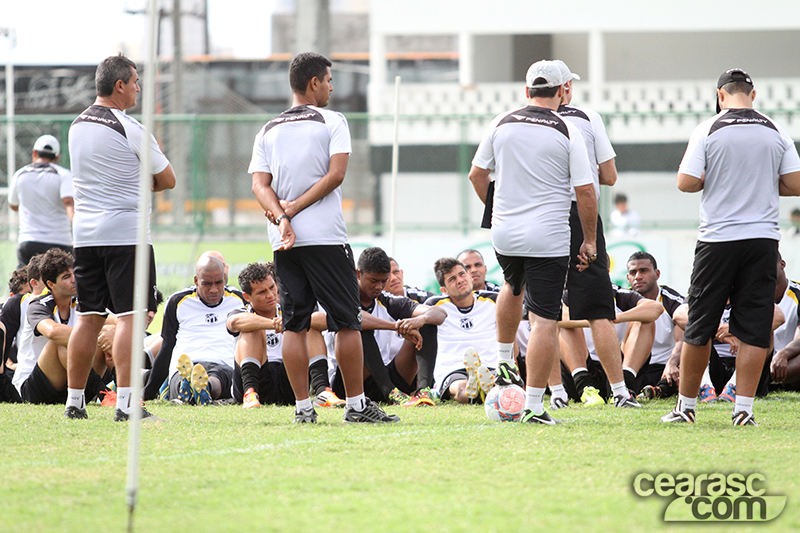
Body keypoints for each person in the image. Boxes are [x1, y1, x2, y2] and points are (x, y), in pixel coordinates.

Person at [249, 52, 396, 423]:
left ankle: (303, 410)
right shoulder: (332, 120)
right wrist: (294, 210)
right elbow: (336, 175)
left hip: (285, 242)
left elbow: (258, 185)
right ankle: (356, 406)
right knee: (347, 321)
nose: (332, 86)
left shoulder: (268, 128)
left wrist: (282, 217)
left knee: (295, 324)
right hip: (326, 239)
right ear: (313, 82)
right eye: (329, 80)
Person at [662, 68, 800, 426]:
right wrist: (762, 185)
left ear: (720, 95)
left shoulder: (708, 128)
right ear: (753, 95)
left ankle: (687, 408)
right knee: (755, 326)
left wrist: (719, 180)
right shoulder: (775, 129)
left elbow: (685, 182)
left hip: (718, 240)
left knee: (700, 325)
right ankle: (744, 410)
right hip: (762, 240)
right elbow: (795, 183)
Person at [469, 59, 600, 424]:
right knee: (544, 319)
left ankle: (502, 360)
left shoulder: (501, 122)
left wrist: (497, 211)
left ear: (527, 92)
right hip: (549, 235)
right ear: (561, 92)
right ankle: (535, 405)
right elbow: (587, 193)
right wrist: (589, 240)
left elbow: (477, 174)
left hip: (504, 232)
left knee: (511, 285)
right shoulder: (568, 129)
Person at [65, 53, 176, 421]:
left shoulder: (76, 125)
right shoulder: (131, 128)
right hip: (126, 235)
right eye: (136, 82)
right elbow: (167, 179)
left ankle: (74, 402)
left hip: (85, 236)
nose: (139, 88)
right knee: (131, 317)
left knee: (87, 316)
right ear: (119, 86)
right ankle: (128, 405)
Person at [553, 59, 641, 409]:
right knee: (599, 310)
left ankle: (551, 395)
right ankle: (620, 392)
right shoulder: (588, 118)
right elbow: (609, 176)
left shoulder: (514, 121)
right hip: (579, 215)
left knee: (542, 310)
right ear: (566, 89)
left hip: (536, 216)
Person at [322, 247, 446, 407]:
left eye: (383, 281)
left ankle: (423, 391)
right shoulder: (342, 297)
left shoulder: (387, 300)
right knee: (358, 331)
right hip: (349, 383)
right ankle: (390, 391)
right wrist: (395, 326)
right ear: (358, 274)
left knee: (428, 324)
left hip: (386, 375)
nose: (379, 287)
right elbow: (355, 317)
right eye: (374, 281)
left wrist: (420, 320)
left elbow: (439, 313)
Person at [143, 255, 245, 404]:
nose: (214, 289)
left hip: (224, 364)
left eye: (219, 283)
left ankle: (201, 388)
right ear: (196, 280)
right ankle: (192, 388)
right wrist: (148, 392)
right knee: (182, 377)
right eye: (207, 284)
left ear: (225, 278)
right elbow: (166, 348)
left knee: (219, 377)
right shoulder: (178, 302)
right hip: (186, 365)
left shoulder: (240, 300)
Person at [15, 248, 110, 404]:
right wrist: (93, 337)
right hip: (33, 388)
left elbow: (113, 322)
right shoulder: (38, 305)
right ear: (51, 284)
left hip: (70, 386)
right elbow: (52, 332)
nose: (74, 280)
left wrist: (110, 334)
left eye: (74, 274)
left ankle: (125, 393)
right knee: (62, 343)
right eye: (66, 277)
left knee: (108, 332)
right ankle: (104, 393)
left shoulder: (80, 303)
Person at [426, 257, 505, 403]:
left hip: (489, 366)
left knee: (495, 384)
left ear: (469, 276)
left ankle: (483, 388)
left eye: (462, 274)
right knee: (462, 388)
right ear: (444, 290)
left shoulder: (494, 300)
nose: (460, 280)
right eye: (452, 279)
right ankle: (481, 390)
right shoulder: (434, 306)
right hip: (452, 368)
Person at [226, 262, 295, 408]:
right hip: (257, 376)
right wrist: (273, 324)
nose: (270, 295)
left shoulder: (289, 312)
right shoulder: (242, 312)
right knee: (252, 325)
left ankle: (322, 390)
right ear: (247, 296)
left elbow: (323, 320)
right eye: (262, 292)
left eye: (272, 287)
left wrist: (292, 322)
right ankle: (250, 394)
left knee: (307, 325)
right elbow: (233, 322)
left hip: (288, 377)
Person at [626, 251, 686, 400]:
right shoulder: (622, 300)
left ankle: (658, 390)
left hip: (664, 366)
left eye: (643, 271)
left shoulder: (672, 301)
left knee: (686, 361)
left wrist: (672, 363)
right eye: (633, 273)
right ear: (628, 278)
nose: (638, 276)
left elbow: (682, 338)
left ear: (657, 274)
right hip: (633, 366)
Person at [9, 135, 74, 268]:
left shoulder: (20, 174)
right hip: (59, 242)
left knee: (24, 285)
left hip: (29, 240)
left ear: (34, 153)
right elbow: (69, 203)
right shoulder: (63, 175)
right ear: (56, 157)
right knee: (60, 286)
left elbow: (13, 205)